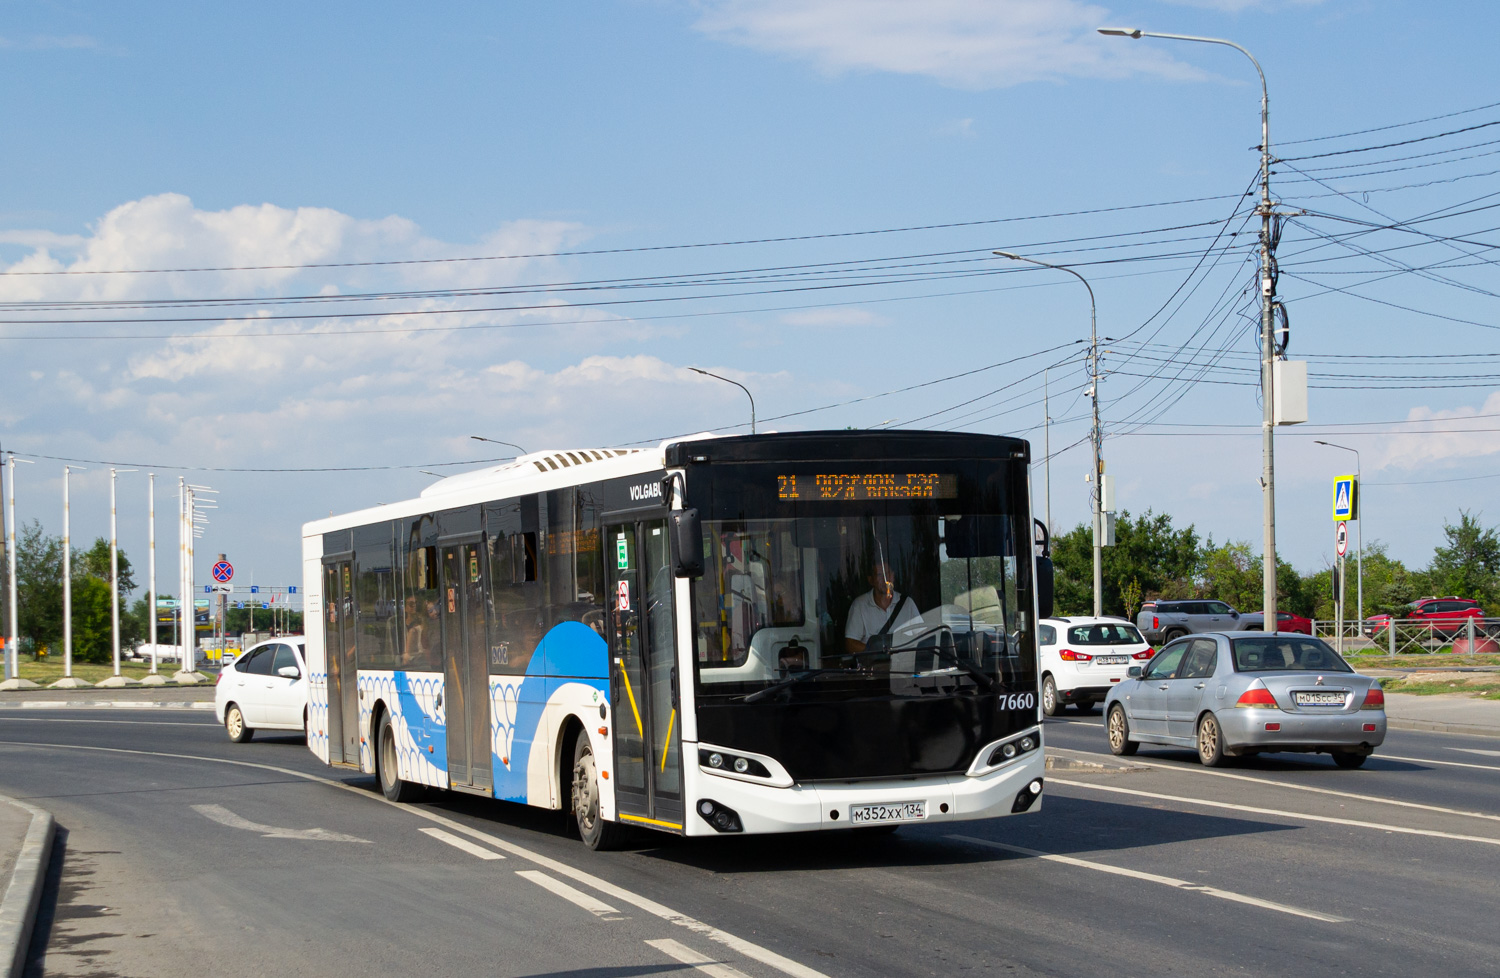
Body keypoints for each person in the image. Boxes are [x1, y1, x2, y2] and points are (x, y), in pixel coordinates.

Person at [845, 560, 921, 654]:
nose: (885, 579)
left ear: (893, 576)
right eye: (880, 575)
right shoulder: (859, 605)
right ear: (871, 580)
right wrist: (878, 653)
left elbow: (922, 638)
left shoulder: (908, 604)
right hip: (872, 666)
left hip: (904, 666)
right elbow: (851, 643)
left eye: (888, 573)